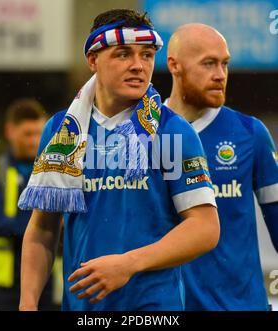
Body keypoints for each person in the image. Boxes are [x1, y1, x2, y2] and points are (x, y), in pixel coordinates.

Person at [18, 9, 220, 311]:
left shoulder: (173, 131)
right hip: (81, 309)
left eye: (147, 55)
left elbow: (205, 228)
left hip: (154, 310)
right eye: (124, 54)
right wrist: (28, 303)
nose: (139, 66)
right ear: (92, 60)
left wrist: (129, 264)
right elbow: (44, 228)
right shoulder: (62, 132)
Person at [166, 23, 278, 310]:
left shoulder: (249, 133)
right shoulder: (145, 135)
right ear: (174, 66)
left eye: (225, 64)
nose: (220, 75)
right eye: (208, 64)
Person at [0, 99, 60, 310]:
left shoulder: (55, 169)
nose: (34, 140)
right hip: (8, 278)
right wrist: (42, 226)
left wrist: (16, 224)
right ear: (9, 131)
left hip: (48, 274)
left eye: (38, 133)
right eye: (27, 134)